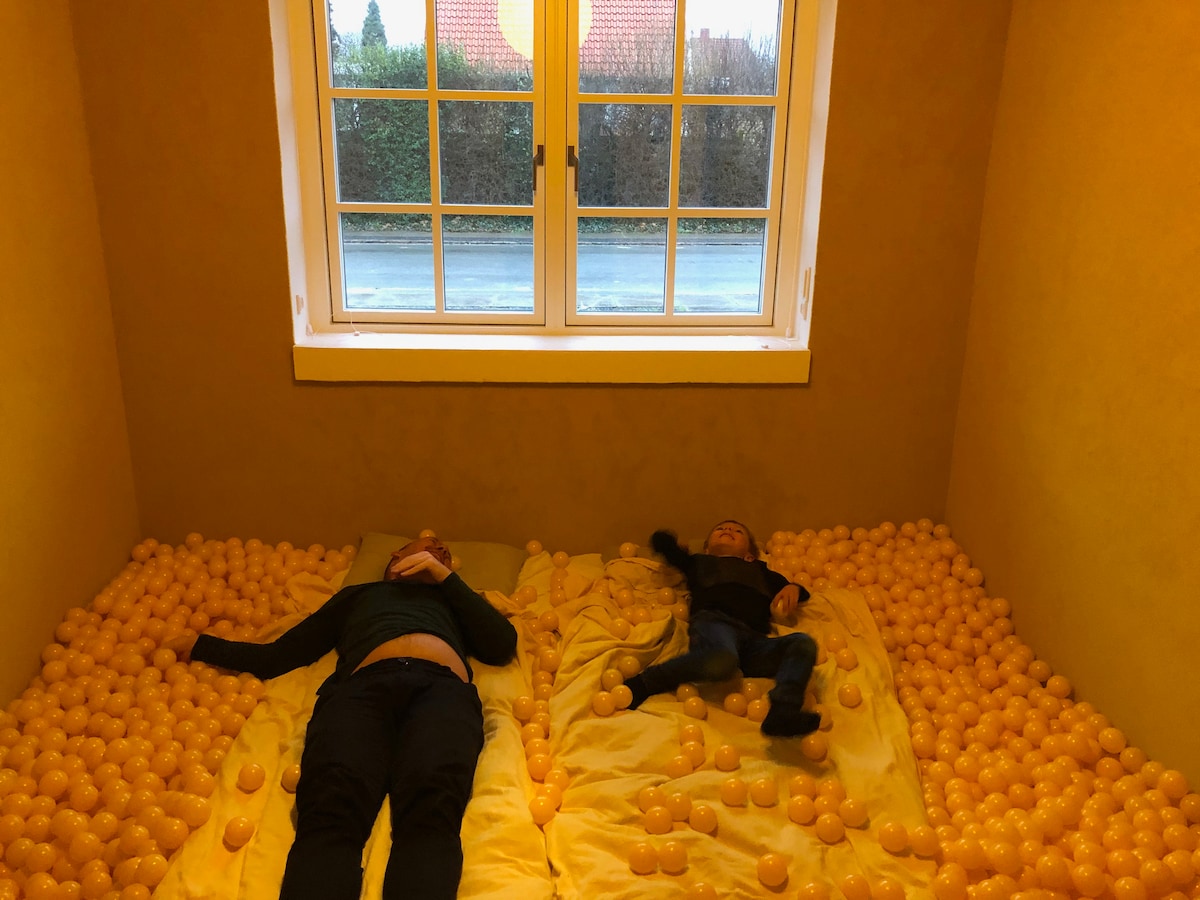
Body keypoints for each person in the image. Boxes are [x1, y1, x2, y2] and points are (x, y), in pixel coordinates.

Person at [165, 535, 517, 900]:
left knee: (432, 808)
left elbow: (501, 644)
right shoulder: (358, 596)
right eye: (427, 544)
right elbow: (279, 655)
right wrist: (201, 645)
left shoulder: (455, 598)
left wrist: (445, 578)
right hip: (362, 691)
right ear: (396, 556)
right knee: (331, 806)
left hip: (441, 692)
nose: (440, 550)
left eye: (444, 552)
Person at [623, 520, 821, 737]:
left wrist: (793, 588)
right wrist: (669, 540)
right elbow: (664, 547)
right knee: (722, 658)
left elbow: (794, 592)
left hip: (754, 640)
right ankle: (647, 681)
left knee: (802, 643)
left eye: (737, 531)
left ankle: (784, 710)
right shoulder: (699, 562)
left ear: (750, 555)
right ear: (707, 548)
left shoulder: (760, 570)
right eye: (720, 529)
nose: (727, 530)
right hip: (715, 622)